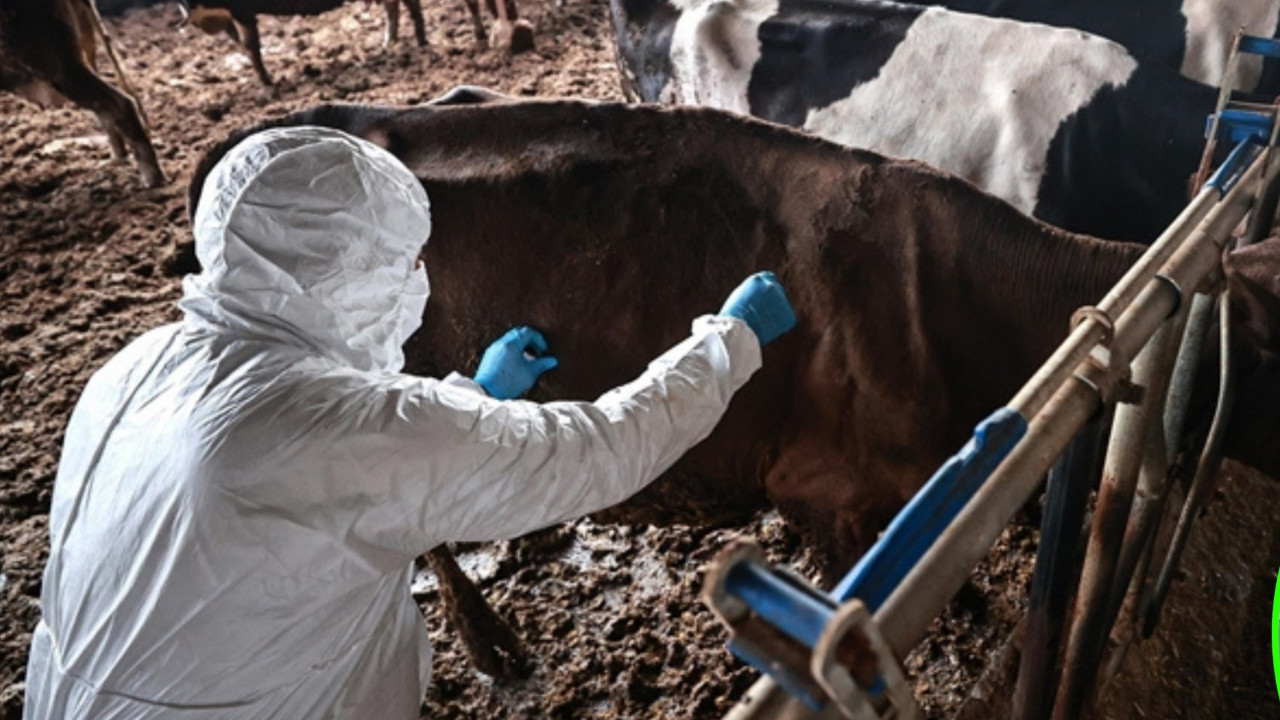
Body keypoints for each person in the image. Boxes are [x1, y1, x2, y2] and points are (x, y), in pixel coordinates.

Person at [22, 126, 796, 720]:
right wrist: (728, 342)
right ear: (346, 265)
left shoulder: (135, 366)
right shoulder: (347, 427)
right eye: (401, 257)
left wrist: (475, 393)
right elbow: (604, 447)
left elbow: (331, 463)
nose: (419, 276)